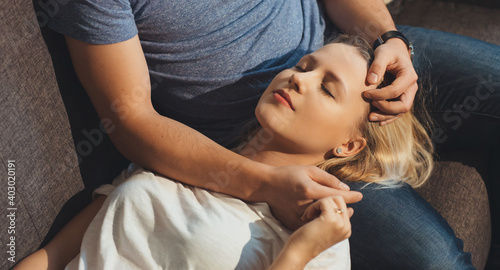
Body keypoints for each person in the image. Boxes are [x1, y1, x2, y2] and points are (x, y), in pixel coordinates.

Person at [34, 0, 500, 268]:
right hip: (278, 141)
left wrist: (386, 38)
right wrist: (260, 183)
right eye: (300, 70)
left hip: (350, 52)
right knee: (432, 258)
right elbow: (130, 119)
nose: (295, 75)